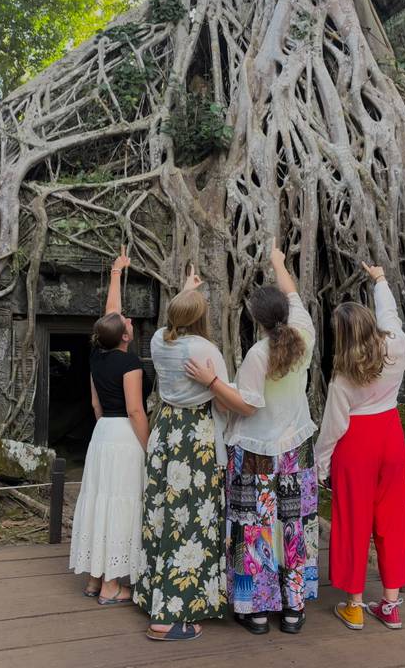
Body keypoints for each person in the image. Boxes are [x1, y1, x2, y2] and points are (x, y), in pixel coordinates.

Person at [186, 241, 318, 636]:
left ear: (256, 320)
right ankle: (294, 609)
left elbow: (245, 405)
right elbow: (292, 293)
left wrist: (210, 381)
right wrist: (279, 261)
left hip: (256, 455)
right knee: (293, 525)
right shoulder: (304, 334)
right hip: (296, 450)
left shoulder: (259, 354)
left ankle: (255, 611)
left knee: (253, 528)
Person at [133, 266, 251, 644]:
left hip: (166, 431)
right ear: (201, 318)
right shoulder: (204, 349)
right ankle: (171, 614)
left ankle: (154, 592)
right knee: (192, 519)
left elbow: (177, 320)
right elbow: (229, 399)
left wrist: (188, 290)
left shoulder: (156, 340)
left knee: (165, 513)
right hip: (194, 438)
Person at [314, 262, 405, 632]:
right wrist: (381, 280)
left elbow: (332, 428)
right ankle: (390, 604)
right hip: (391, 438)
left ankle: (354, 605)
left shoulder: (343, 375)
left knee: (353, 522)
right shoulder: (396, 346)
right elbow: (391, 313)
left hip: (356, 445)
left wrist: (322, 466)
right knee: (390, 522)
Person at [69, 251, 151, 604]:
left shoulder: (97, 354)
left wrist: (116, 271)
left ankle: (93, 578)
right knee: (121, 504)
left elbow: (95, 405)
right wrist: (149, 448)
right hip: (124, 435)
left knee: (100, 501)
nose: (129, 320)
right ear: (125, 337)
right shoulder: (129, 362)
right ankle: (112, 586)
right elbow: (136, 409)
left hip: (102, 434)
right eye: (127, 323)